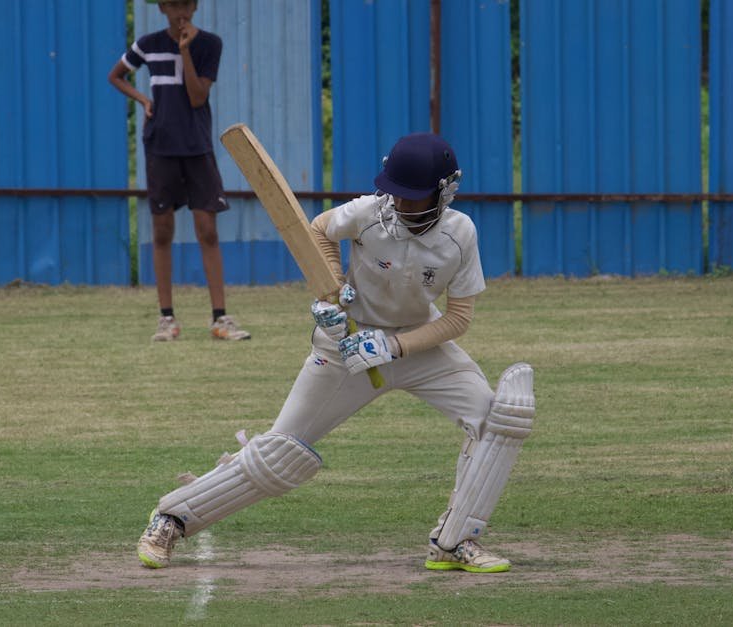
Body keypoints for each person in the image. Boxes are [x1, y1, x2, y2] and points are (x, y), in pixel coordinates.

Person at [136, 133, 537, 573]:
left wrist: (394, 345)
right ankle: (171, 519)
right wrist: (332, 292)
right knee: (280, 451)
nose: (400, 206)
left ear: (444, 192)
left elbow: (458, 319)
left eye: (412, 198)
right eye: (395, 194)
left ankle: (455, 541)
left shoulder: (460, 235)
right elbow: (318, 230)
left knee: (495, 422)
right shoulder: (368, 212)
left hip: (418, 345)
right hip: (345, 346)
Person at [108, 0, 250, 342]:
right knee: (161, 232)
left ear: (196, 5)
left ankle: (220, 319)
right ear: (161, 8)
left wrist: (185, 51)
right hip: (160, 147)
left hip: (197, 147)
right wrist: (143, 100)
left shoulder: (209, 44)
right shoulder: (148, 44)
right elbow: (116, 76)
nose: (179, 11)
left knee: (208, 230)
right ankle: (166, 320)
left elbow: (198, 96)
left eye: (185, 3)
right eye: (172, 5)